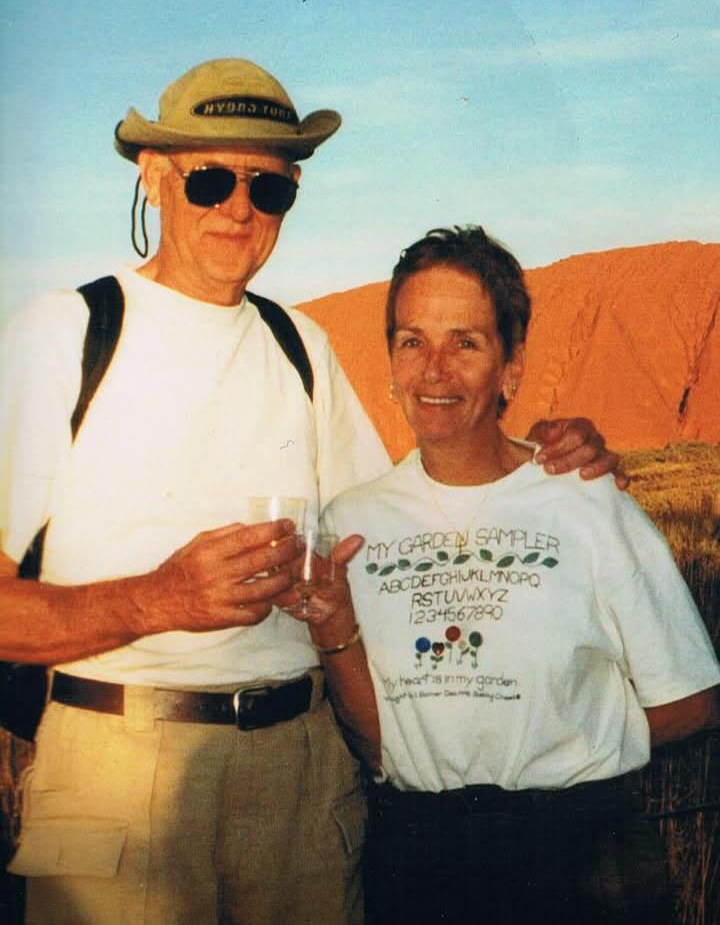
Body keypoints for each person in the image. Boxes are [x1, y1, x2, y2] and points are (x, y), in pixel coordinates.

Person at [1, 60, 621, 925]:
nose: (238, 210)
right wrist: (159, 599)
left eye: (270, 190)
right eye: (210, 179)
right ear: (153, 177)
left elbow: (402, 526)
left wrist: (547, 452)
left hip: (298, 774)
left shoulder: (301, 348)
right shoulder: (63, 335)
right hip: (119, 766)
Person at [288, 225, 720, 925]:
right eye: (412, 341)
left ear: (512, 368)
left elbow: (691, 701)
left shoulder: (586, 500)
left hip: (580, 857)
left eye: (466, 342)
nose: (435, 370)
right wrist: (338, 633)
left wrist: (573, 748)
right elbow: (376, 745)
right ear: (391, 361)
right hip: (419, 855)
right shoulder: (353, 525)